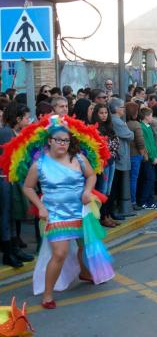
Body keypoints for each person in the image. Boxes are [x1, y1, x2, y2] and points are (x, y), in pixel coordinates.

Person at [20, 116, 113, 309]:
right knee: (60, 254)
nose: (62, 143)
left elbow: (91, 175)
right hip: (56, 215)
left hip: (81, 212)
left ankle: (85, 272)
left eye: (66, 140)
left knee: (85, 245)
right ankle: (47, 295)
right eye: (58, 140)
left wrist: (87, 191)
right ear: (49, 141)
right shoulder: (40, 165)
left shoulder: (78, 158)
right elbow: (28, 188)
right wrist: (41, 206)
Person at [0, 103, 35, 268]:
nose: (29, 120)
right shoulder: (6, 133)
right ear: (18, 118)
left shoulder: (18, 132)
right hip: (5, 179)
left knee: (14, 213)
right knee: (6, 216)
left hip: (14, 178)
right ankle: (8, 252)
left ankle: (15, 248)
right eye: (27, 117)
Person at [91, 103, 120, 227]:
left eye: (105, 113)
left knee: (108, 190)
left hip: (111, 161)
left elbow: (114, 144)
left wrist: (110, 147)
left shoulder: (109, 126)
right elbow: (102, 147)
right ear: (96, 114)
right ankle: (102, 217)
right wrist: (109, 147)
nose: (104, 115)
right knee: (102, 191)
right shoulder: (94, 128)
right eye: (101, 113)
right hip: (102, 164)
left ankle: (107, 215)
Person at [109, 98, 134, 217]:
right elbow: (130, 135)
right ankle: (114, 210)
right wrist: (128, 129)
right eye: (122, 107)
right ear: (116, 109)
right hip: (120, 155)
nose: (124, 109)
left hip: (121, 154)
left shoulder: (118, 121)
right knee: (115, 184)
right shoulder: (117, 121)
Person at [125, 102, 146, 210]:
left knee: (127, 179)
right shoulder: (135, 124)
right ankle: (132, 201)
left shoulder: (124, 123)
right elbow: (140, 141)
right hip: (135, 154)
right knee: (133, 179)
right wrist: (142, 153)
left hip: (126, 155)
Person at [138, 107, 157, 210]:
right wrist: (152, 157)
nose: (152, 118)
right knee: (149, 178)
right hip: (147, 159)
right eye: (151, 116)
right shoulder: (142, 127)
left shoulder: (148, 126)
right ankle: (143, 201)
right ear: (146, 116)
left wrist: (156, 155)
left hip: (152, 157)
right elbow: (147, 145)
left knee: (151, 179)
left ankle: (151, 201)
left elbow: (153, 144)